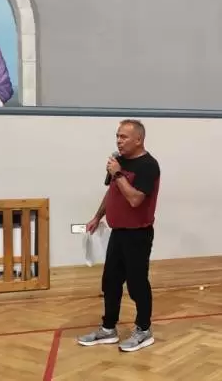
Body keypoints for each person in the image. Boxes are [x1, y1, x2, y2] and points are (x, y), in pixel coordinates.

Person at [77, 119, 161, 352]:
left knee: (136, 284)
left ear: (139, 139)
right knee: (110, 282)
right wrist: (97, 217)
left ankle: (144, 330)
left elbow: (135, 199)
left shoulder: (148, 166)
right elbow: (113, 193)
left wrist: (118, 174)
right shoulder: (119, 161)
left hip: (138, 234)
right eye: (117, 136)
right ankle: (108, 329)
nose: (118, 141)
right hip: (118, 232)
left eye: (124, 137)